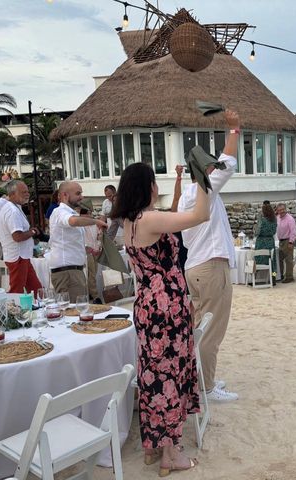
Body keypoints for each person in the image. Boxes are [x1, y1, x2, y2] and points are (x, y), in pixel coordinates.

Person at [112, 162, 209, 474]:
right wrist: (205, 181)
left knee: (153, 376)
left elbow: (175, 212)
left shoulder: (130, 221)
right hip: (166, 308)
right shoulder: (150, 218)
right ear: (148, 186)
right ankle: (171, 454)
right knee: (170, 376)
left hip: (146, 305)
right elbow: (199, 216)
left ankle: (153, 447)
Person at [178, 110, 240, 403]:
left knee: (198, 327)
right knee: (211, 330)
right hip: (211, 267)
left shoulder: (186, 196)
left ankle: (200, 378)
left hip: (195, 267)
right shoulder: (203, 189)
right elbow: (227, 165)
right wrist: (234, 130)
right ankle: (206, 387)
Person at [49, 182, 107, 302]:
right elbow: (72, 221)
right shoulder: (60, 212)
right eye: (78, 193)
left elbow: (69, 242)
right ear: (65, 195)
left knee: (77, 312)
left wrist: (87, 249)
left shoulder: (70, 212)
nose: (82, 197)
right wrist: (95, 221)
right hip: (67, 272)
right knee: (73, 313)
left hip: (72, 271)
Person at [0, 180, 42, 294]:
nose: (27, 194)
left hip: (22, 256)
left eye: (27, 192)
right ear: (12, 194)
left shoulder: (15, 207)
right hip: (18, 257)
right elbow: (17, 236)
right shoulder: (12, 211)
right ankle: (11, 311)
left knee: (36, 289)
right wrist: (32, 232)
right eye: (23, 192)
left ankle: (39, 309)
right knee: (16, 292)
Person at [80, 200, 101, 303]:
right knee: (91, 275)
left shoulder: (94, 224)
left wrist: (98, 248)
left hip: (95, 251)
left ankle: (91, 295)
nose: (90, 215)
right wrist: (90, 249)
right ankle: (95, 296)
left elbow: (97, 237)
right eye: (88, 213)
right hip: (87, 252)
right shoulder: (81, 225)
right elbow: (82, 240)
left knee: (93, 274)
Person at [254, 203, 277, 282]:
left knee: (257, 261)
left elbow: (257, 232)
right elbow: (274, 231)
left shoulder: (262, 220)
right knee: (273, 263)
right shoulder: (274, 220)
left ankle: (255, 278)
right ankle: (273, 278)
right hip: (270, 241)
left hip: (261, 242)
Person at [276, 203, 296, 283]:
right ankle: (279, 275)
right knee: (279, 260)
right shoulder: (277, 218)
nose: (282, 211)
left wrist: (291, 242)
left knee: (288, 260)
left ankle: (289, 277)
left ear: (286, 209)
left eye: (283, 209)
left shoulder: (290, 219)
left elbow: (293, 231)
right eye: (280, 210)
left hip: (288, 240)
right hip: (280, 241)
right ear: (277, 211)